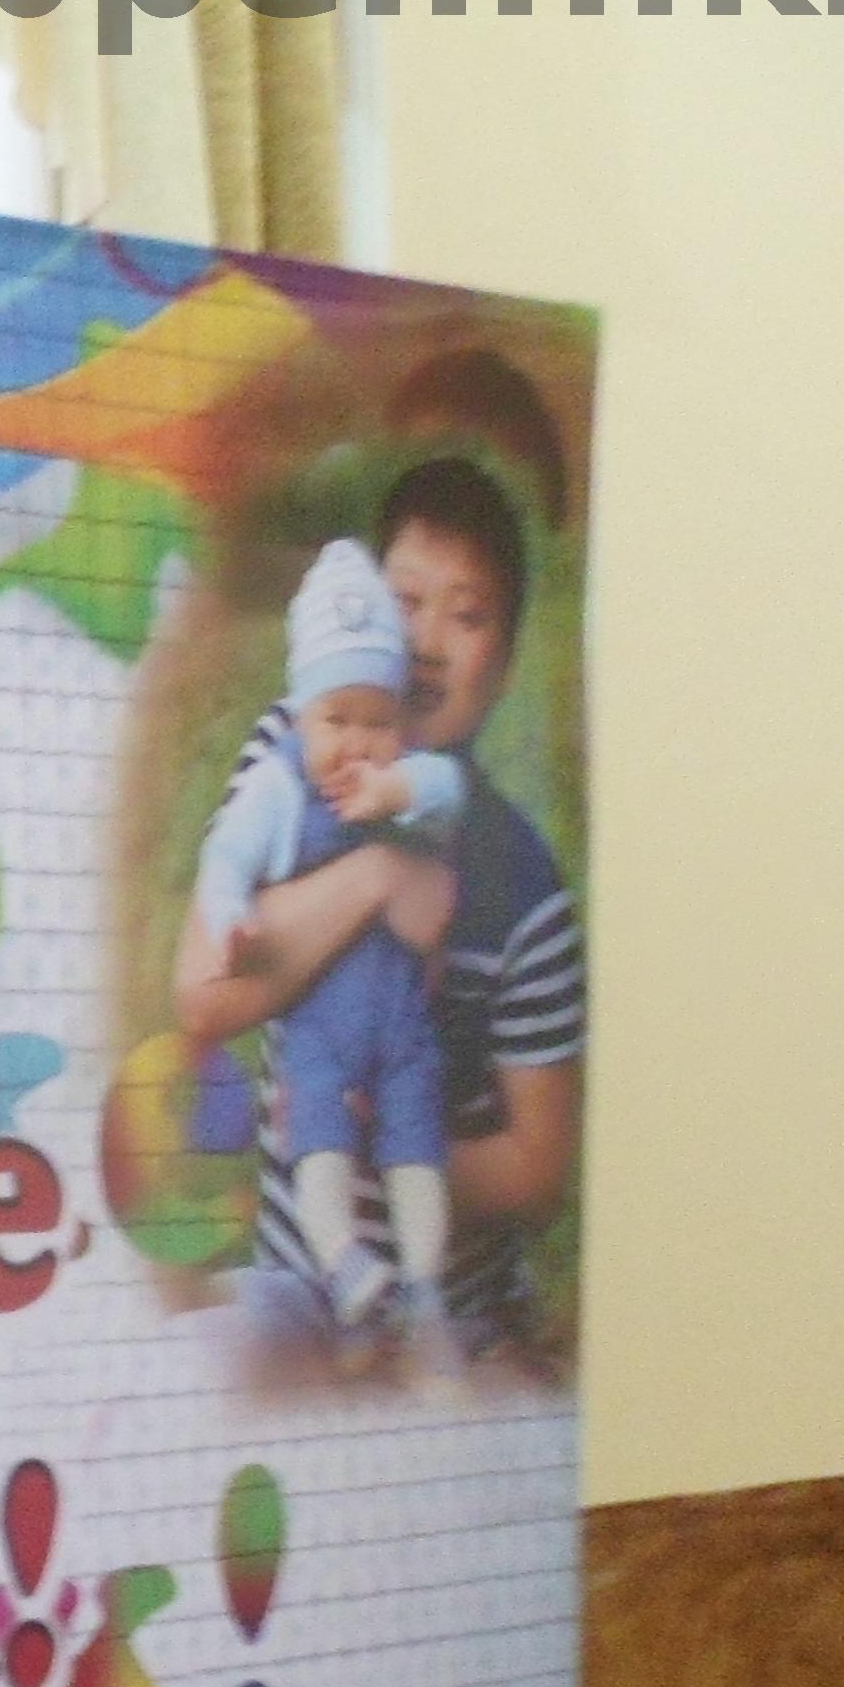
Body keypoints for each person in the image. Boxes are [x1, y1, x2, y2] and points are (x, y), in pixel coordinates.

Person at [173, 460, 584, 1365]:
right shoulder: (292, 755)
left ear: (504, 663)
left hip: (459, 1317)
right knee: (196, 1367)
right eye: (406, 602)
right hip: (298, 1283)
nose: (428, 643)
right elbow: (202, 995)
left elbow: (537, 1170)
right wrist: (375, 877)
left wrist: (383, 1145)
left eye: (468, 616)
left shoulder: (523, 885)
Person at [180, 539, 468, 1363]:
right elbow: (227, 856)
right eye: (336, 722)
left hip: (402, 1031)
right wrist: (232, 916)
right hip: (319, 1030)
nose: (357, 744)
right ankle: (343, 1265)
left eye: (378, 723)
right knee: (318, 1141)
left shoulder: (405, 777)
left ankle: (424, 1287)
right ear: (301, 716)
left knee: (417, 1151)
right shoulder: (280, 782)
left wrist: (393, 789)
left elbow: (449, 789)